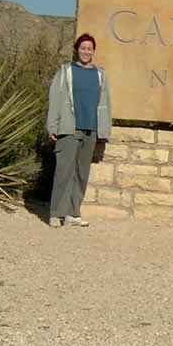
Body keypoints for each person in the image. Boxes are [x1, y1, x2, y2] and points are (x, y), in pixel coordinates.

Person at [46, 33, 111, 228]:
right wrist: (52, 125)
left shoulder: (99, 74)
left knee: (82, 173)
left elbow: (105, 103)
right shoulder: (66, 71)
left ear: (93, 51)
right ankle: (56, 213)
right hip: (69, 128)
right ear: (77, 50)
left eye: (89, 48)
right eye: (83, 48)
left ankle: (73, 213)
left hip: (90, 129)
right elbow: (55, 98)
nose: (86, 51)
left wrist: (104, 131)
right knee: (63, 172)